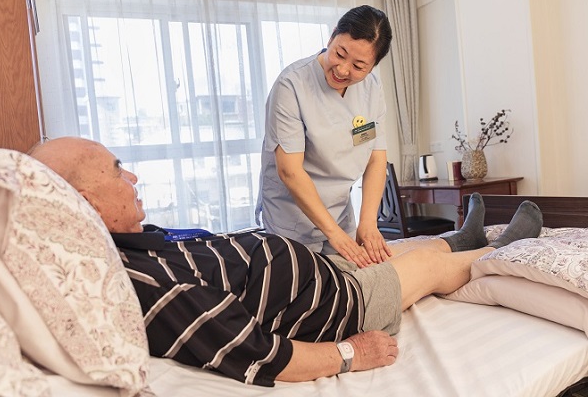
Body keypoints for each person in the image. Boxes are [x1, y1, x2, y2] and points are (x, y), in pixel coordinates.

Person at [30, 137, 544, 387]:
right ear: (86, 202)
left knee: (401, 247)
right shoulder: (143, 283)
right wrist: (351, 353)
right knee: (427, 265)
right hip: (334, 304)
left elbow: (374, 149)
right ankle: (504, 249)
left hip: (316, 273)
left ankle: (463, 237)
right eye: (118, 170)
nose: (132, 178)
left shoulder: (128, 244)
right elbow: (255, 352)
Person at [256, 5, 394, 268]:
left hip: (339, 212)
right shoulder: (292, 85)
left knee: (355, 279)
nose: (342, 70)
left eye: (359, 66)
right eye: (340, 54)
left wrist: (368, 223)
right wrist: (335, 235)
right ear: (331, 37)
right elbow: (290, 172)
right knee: (306, 282)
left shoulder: (372, 88)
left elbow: (376, 159)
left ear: (373, 67)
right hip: (291, 217)